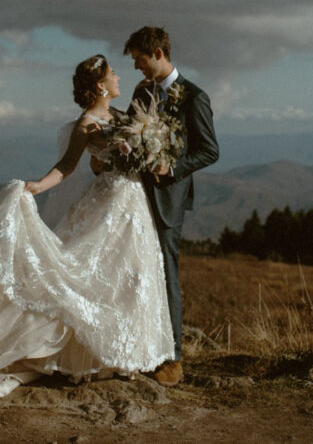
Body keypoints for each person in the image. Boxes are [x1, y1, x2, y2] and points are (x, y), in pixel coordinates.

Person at [0, 55, 175, 401]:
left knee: (132, 276)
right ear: (100, 86)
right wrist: (35, 187)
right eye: (113, 74)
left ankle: (121, 355)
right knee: (86, 275)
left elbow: (125, 153)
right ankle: (43, 350)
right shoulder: (87, 123)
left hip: (134, 206)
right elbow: (66, 167)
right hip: (109, 204)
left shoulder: (120, 117)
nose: (118, 78)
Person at [123, 26, 219, 387]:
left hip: (168, 199)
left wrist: (173, 166)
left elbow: (210, 150)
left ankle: (173, 360)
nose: (137, 68)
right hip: (134, 195)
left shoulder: (194, 97)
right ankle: (141, 349)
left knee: (166, 274)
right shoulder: (140, 92)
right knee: (136, 273)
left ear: (159, 53)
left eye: (140, 60)